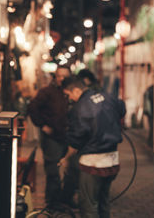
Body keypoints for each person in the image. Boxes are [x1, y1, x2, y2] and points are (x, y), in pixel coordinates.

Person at [59, 76, 126, 218]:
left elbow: (76, 139)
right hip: (112, 159)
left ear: (76, 90)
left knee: (89, 205)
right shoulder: (108, 97)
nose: (70, 98)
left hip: (92, 163)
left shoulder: (79, 108)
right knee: (104, 201)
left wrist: (66, 158)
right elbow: (122, 109)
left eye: (69, 95)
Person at [27, 66, 78, 208]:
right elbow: (32, 107)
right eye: (59, 76)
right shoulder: (47, 92)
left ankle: (66, 198)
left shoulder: (72, 92)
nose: (61, 78)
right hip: (52, 137)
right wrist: (42, 125)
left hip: (70, 136)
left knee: (73, 169)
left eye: (64, 76)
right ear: (55, 76)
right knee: (53, 171)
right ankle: (53, 201)